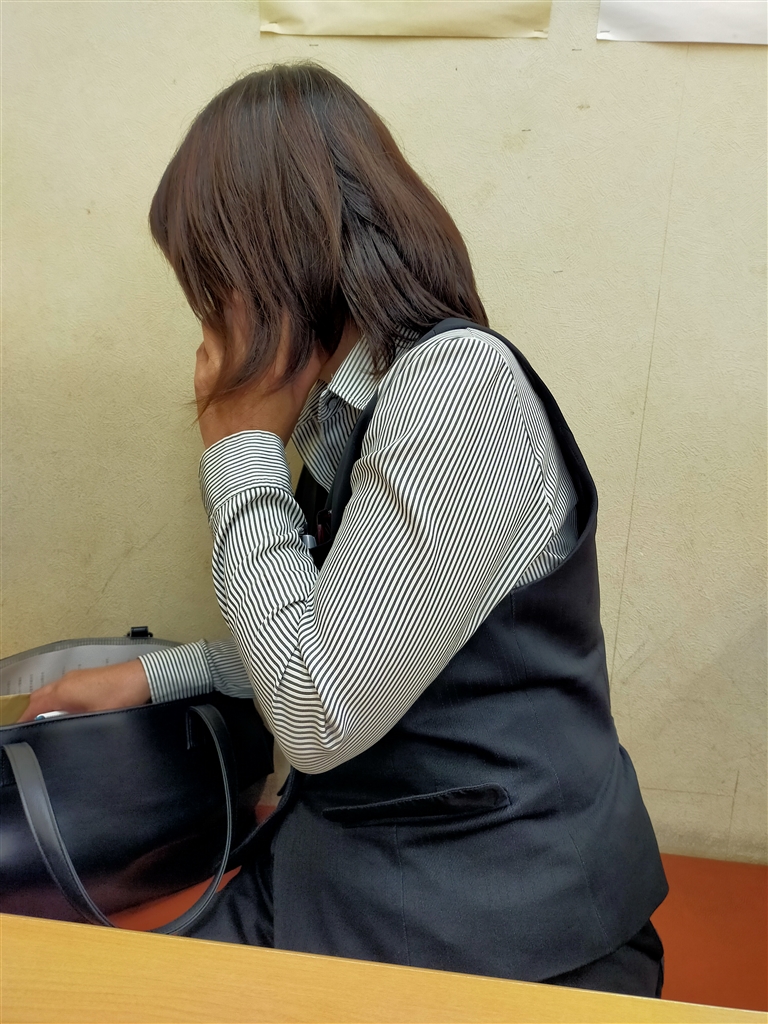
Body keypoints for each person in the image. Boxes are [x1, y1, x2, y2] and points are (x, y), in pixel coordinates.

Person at [23, 63, 668, 995]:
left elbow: (319, 711)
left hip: (499, 920)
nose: (205, 320)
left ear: (267, 262)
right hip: (362, 872)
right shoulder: (354, 411)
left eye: (208, 283)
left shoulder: (458, 388)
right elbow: (352, 644)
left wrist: (239, 444)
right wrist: (152, 675)